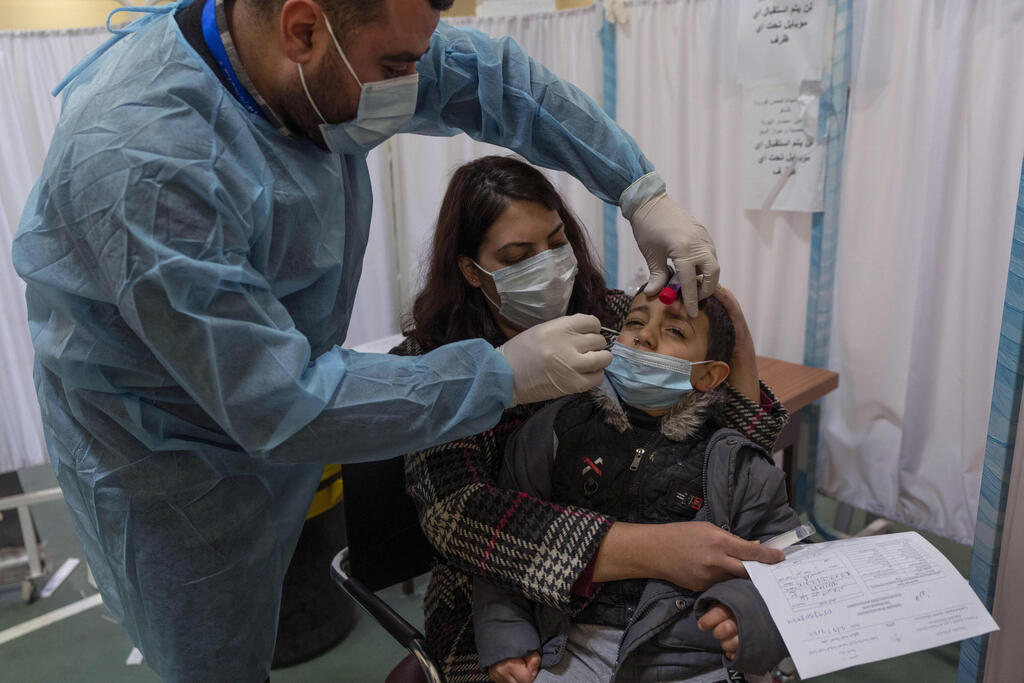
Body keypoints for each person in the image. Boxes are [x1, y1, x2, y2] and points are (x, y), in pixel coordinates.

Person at [11, 1, 722, 679]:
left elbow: (498, 81)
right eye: (396, 66)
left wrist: (640, 190)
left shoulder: (344, 55)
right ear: (301, 30)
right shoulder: (147, 165)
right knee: (215, 656)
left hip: (300, 402)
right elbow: (278, 401)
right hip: (166, 457)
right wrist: (498, 379)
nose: (416, 83)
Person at [396, 156, 790, 682]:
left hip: (664, 598)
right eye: (518, 256)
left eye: (557, 243)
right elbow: (460, 517)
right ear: (471, 269)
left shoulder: (612, 316)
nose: (549, 263)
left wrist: (732, 329)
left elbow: (732, 452)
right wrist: (653, 549)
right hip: (501, 588)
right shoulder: (431, 362)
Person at [472, 288, 801, 683]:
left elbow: (788, 562)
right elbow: (506, 543)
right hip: (572, 647)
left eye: (675, 331)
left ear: (708, 375)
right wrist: (507, 637)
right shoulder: (555, 432)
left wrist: (745, 615)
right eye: (634, 322)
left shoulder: (736, 462)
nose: (644, 336)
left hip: (692, 654)